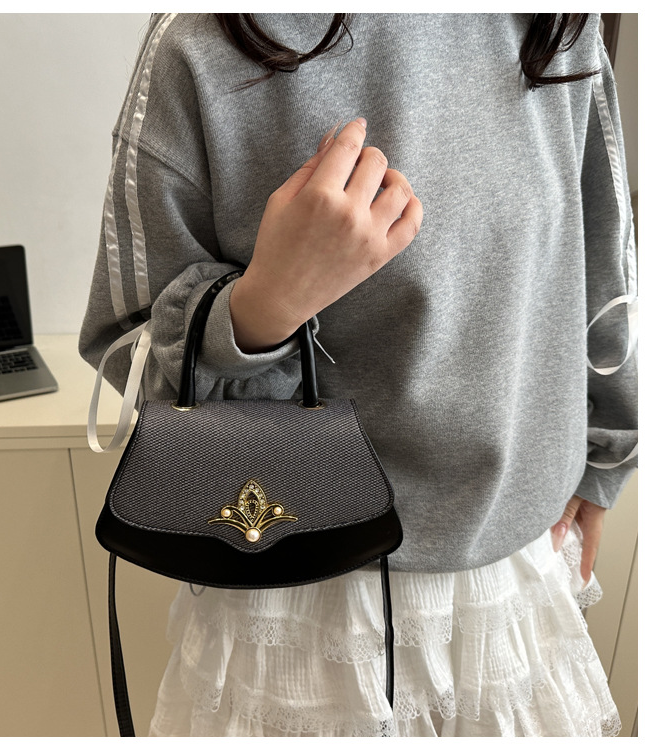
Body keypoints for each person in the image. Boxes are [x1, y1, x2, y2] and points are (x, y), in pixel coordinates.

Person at [79, 13, 637, 737]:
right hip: (298, 588)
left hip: (521, 565)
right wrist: (267, 305)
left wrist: (607, 453)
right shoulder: (203, 43)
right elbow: (126, 353)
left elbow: (602, 260)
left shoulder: (554, 26)